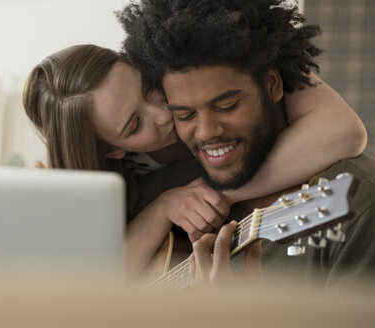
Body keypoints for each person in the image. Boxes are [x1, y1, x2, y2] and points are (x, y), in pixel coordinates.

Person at [22, 42, 366, 281]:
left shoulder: (193, 60)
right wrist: (163, 207)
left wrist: (221, 188)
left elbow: (345, 131)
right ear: (111, 151)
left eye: (146, 88)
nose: (163, 113)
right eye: (134, 125)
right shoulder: (96, 183)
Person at [117, 0, 375, 287]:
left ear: (272, 85)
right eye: (185, 114)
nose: (205, 133)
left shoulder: (357, 203)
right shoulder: (178, 203)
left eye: (226, 105)